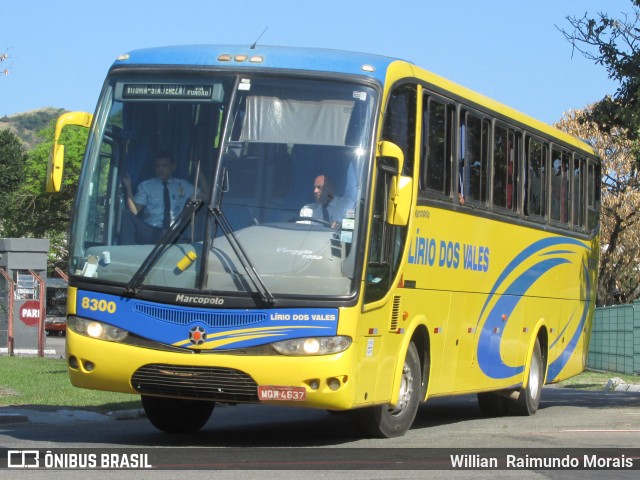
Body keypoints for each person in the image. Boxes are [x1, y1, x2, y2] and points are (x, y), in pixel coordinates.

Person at [120, 151, 195, 244]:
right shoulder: (146, 185)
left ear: (173, 167)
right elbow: (134, 211)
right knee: (126, 214)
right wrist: (128, 188)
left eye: (164, 166)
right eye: (157, 166)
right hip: (151, 231)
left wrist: (199, 173)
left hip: (173, 232)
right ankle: (127, 255)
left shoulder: (182, 185)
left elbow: (207, 197)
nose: (160, 169)